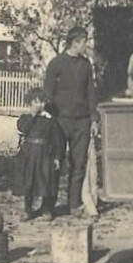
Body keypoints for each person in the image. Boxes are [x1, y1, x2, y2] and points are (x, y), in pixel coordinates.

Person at [43, 26, 98, 214]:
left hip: (81, 121)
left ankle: (73, 205)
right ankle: (48, 206)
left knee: (78, 164)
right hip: (60, 121)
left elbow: (91, 93)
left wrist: (94, 119)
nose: (87, 45)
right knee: (54, 163)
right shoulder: (56, 64)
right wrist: (50, 119)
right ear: (75, 43)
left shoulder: (86, 65)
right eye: (84, 42)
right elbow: (47, 94)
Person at [12, 89, 65, 221]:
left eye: (41, 102)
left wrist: (57, 157)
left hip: (45, 156)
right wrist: (34, 116)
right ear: (29, 103)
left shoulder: (50, 121)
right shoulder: (25, 119)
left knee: (45, 182)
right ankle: (28, 209)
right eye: (36, 102)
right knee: (28, 183)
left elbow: (58, 140)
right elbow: (23, 129)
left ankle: (46, 209)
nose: (39, 105)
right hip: (29, 155)